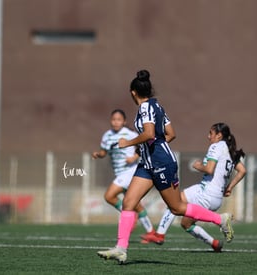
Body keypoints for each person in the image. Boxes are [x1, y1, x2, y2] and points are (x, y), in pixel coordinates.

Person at [97, 70, 234, 264]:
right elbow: (171, 133)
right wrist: (150, 146)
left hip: (161, 163)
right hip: (148, 164)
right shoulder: (157, 106)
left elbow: (150, 134)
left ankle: (220, 220)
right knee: (129, 202)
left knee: (177, 207)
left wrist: (129, 143)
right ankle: (121, 248)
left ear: (133, 92)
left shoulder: (145, 108)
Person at [142, 122, 246, 252]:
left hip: (206, 193)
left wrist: (198, 166)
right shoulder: (229, 150)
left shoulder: (217, 146)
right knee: (185, 222)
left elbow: (209, 169)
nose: (208, 136)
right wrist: (230, 187)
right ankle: (214, 243)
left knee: (174, 204)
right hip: (215, 196)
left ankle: (160, 235)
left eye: (211, 133)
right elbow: (242, 170)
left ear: (219, 135)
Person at [92, 109, 155, 235]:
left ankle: (129, 215)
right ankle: (151, 232)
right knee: (135, 204)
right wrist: (98, 154)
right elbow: (104, 151)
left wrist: (134, 157)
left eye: (119, 119)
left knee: (109, 196)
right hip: (119, 173)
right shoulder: (107, 135)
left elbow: (144, 146)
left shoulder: (129, 134)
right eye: (113, 119)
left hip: (130, 171)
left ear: (124, 121)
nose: (116, 122)